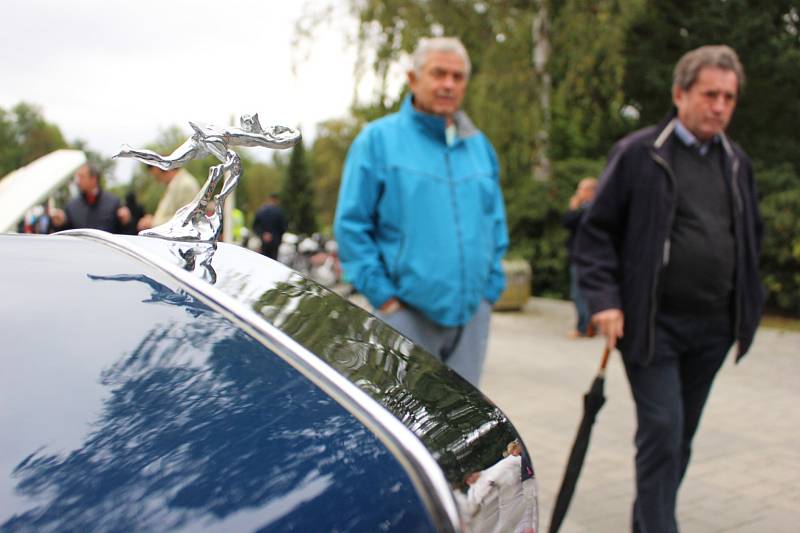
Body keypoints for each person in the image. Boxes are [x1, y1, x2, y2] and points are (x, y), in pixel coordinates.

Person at [574, 45, 763, 532]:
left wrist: (748, 307)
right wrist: (606, 301)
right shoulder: (641, 152)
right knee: (661, 429)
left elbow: (749, 239)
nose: (720, 106)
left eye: (729, 97)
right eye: (709, 94)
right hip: (652, 326)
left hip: (715, 328)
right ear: (680, 93)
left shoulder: (738, 163)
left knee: (680, 438)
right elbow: (596, 232)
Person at [334, 36, 509, 387]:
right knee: (406, 424)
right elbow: (352, 225)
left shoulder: (478, 146)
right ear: (413, 78)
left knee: (462, 425)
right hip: (406, 315)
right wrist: (384, 299)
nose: (448, 84)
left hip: (471, 317)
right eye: (439, 73)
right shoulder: (377, 140)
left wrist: (491, 289)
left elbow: (495, 222)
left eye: (457, 77)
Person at [562, 177, 597, 338]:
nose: (578, 193)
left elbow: (569, 222)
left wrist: (572, 207)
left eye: (580, 189)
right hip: (585, 256)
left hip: (583, 257)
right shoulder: (590, 208)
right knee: (583, 293)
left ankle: (584, 327)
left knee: (579, 294)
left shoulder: (588, 209)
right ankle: (588, 325)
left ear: (590, 191)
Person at [50, 163, 130, 233]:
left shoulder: (113, 203)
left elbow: (124, 233)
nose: (78, 181)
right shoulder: (71, 206)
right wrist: (59, 224)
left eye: (82, 177)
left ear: (93, 179)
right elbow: (67, 233)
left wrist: (126, 222)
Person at [136, 165, 200, 232]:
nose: (157, 180)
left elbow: (185, 220)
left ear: (159, 168)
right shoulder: (175, 184)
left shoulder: (186, 185)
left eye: (156, 176)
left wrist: (153, 223)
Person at [252, 193, 287, 259]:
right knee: (273, 261)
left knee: (264, 260)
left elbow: (255, 226)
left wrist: (262, 234)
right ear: (276, 200)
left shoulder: (261, 211)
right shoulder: (279, 212)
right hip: (275, 242)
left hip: (263, 241)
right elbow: (283, 228)